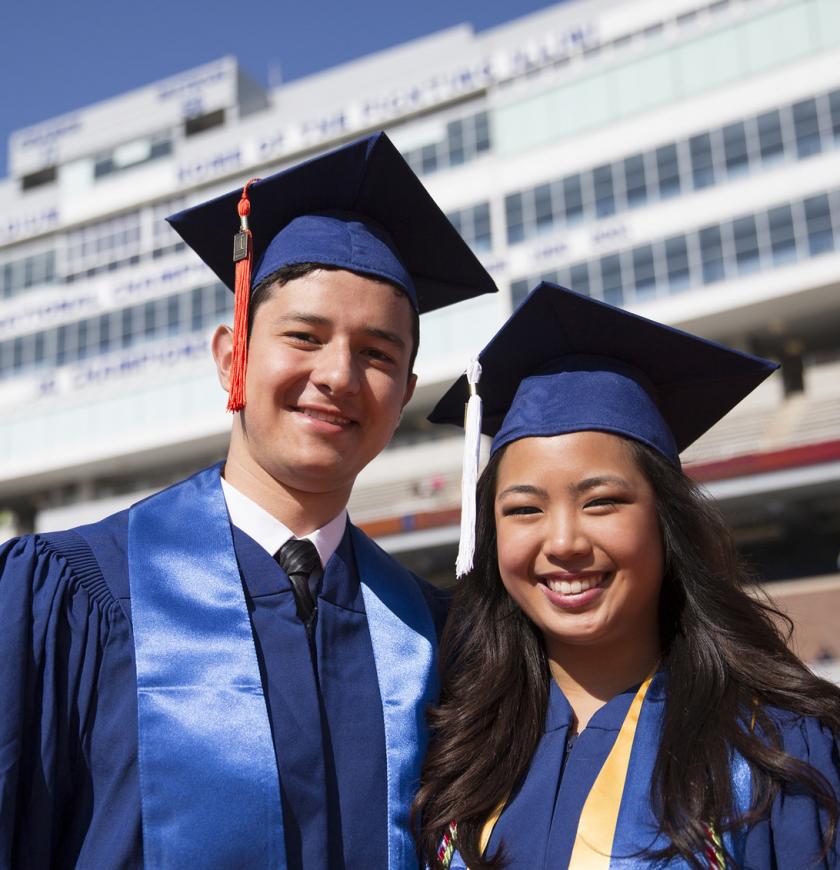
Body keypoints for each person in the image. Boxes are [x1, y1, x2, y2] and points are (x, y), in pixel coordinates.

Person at [0, 133, 497, 869]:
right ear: (231, 356)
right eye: (304, 336)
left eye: (377, 354)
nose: (337, 375)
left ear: (405, 394)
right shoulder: (75, 597)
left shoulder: (433, 636)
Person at [414, 282, 840, 869]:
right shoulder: (454, 742)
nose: (563, 542)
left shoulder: (772, 754)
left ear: (666, 522)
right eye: (524, 509)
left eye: (602, 502)